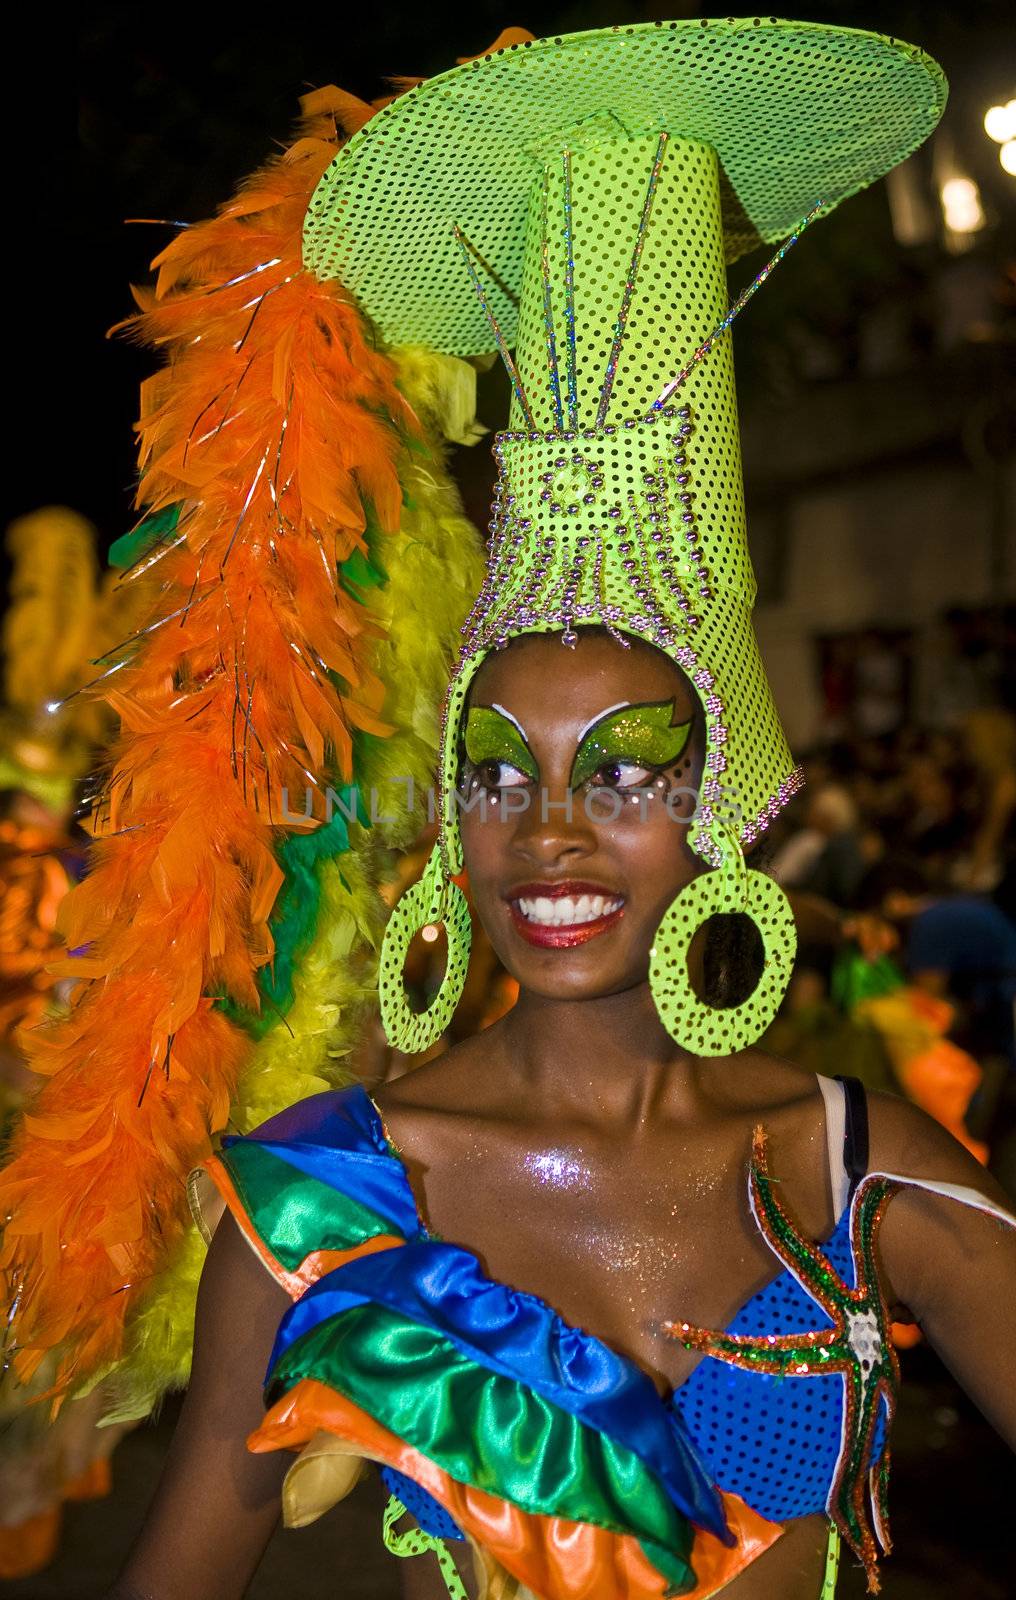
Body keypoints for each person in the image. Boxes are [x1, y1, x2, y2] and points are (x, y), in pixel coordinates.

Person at [21, 19, 1016, 1600]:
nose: (549, 831)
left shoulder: (856, 1165)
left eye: (625, 769)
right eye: (499, 770)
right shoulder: (325, 1197)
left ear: (722, 799)